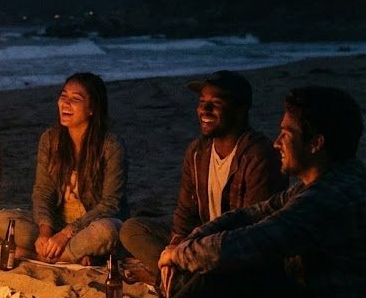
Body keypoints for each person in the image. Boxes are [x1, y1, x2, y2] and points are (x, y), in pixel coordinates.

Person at [154, 86, 365, 298]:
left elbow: (240, 245)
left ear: (316, 143)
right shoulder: (330, 179)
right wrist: (188, 241)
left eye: (286, 134)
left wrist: (177, 254)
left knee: (233, 264)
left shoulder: (329, 197)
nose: (277, 142)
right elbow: (249, 215)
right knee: (219, 256)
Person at [119, 71, 287, 286]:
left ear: (240, 109)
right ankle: (172, 276)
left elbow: (252, 230)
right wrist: (177, 243)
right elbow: (185, 211)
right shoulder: (198, 151)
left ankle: (171, 281)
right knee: (132, 229)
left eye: (215, 103)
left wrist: (190, 249)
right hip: (200, 237)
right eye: (202, 102)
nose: (204, 110)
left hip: (231, 247)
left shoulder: (258, 155)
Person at [0, 72, 127, 265]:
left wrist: (66, 234)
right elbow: (42, 191)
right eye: (63, 96)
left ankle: (40, 257)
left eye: (75, 99)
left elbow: (110, 204)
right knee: (2, 220)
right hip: (57, 224)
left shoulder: (110, 146)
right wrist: (45, 232)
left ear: (92, 108)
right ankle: (72, 254)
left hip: (90, 225)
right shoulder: (50, 139)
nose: (65, 103)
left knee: (108, 231)